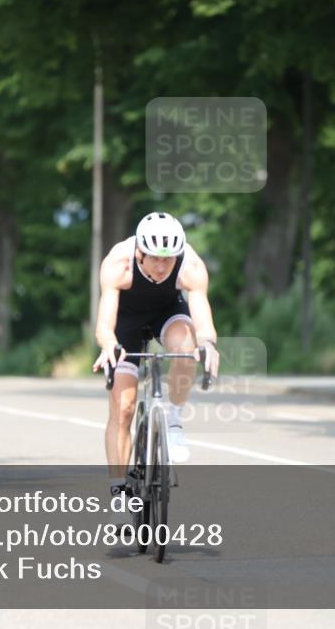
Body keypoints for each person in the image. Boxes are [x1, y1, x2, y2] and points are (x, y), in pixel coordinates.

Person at [91, 212, 220, 517]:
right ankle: (119, 492)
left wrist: (209, 344)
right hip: (126, 320)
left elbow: (202, 316)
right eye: (156, 260)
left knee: (187, 349)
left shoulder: (190, 264)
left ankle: (173, 420)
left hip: (167, 312)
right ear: (140, 253)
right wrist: (109, 345)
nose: (163, 267)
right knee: (123, 408)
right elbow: (105, 325)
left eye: (169, 260)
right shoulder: (118, 264)